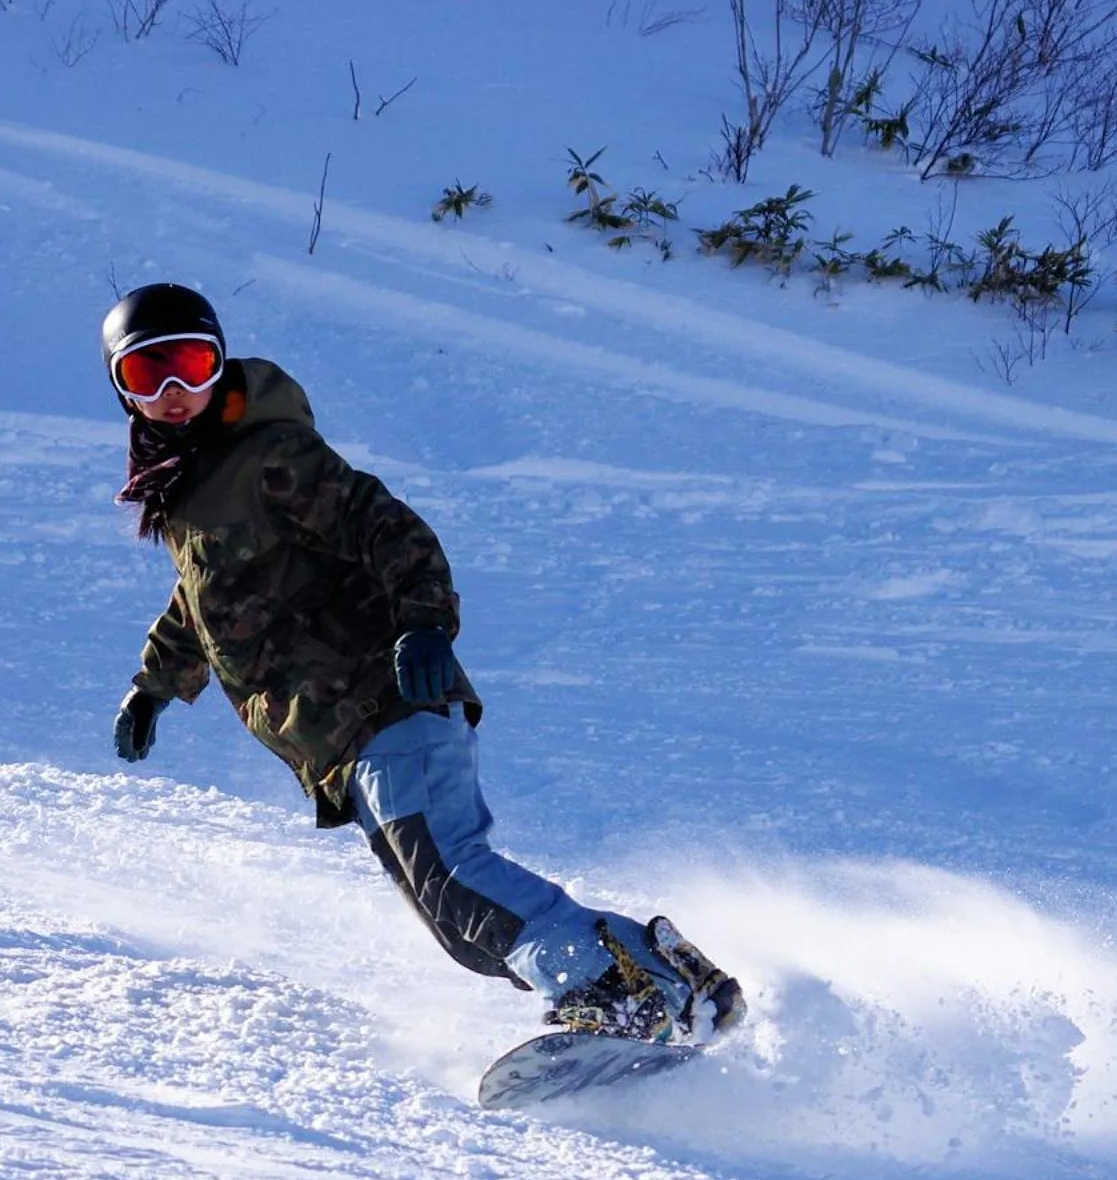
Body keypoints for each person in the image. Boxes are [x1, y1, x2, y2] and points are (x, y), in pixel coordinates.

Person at [102, 282, 743, 1045]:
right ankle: (662, 972)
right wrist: (156, 685)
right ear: (123, 391)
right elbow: (205, 599)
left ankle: (614, 987)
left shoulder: (273, 458)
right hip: (340, 737)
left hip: (388, 696)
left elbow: (388, 529)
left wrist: (425, 625)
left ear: (220, 365)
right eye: (148, 374)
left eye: (190, 365)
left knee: (456, 874)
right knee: (459, 926)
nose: (173, 392)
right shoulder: (193, 490)